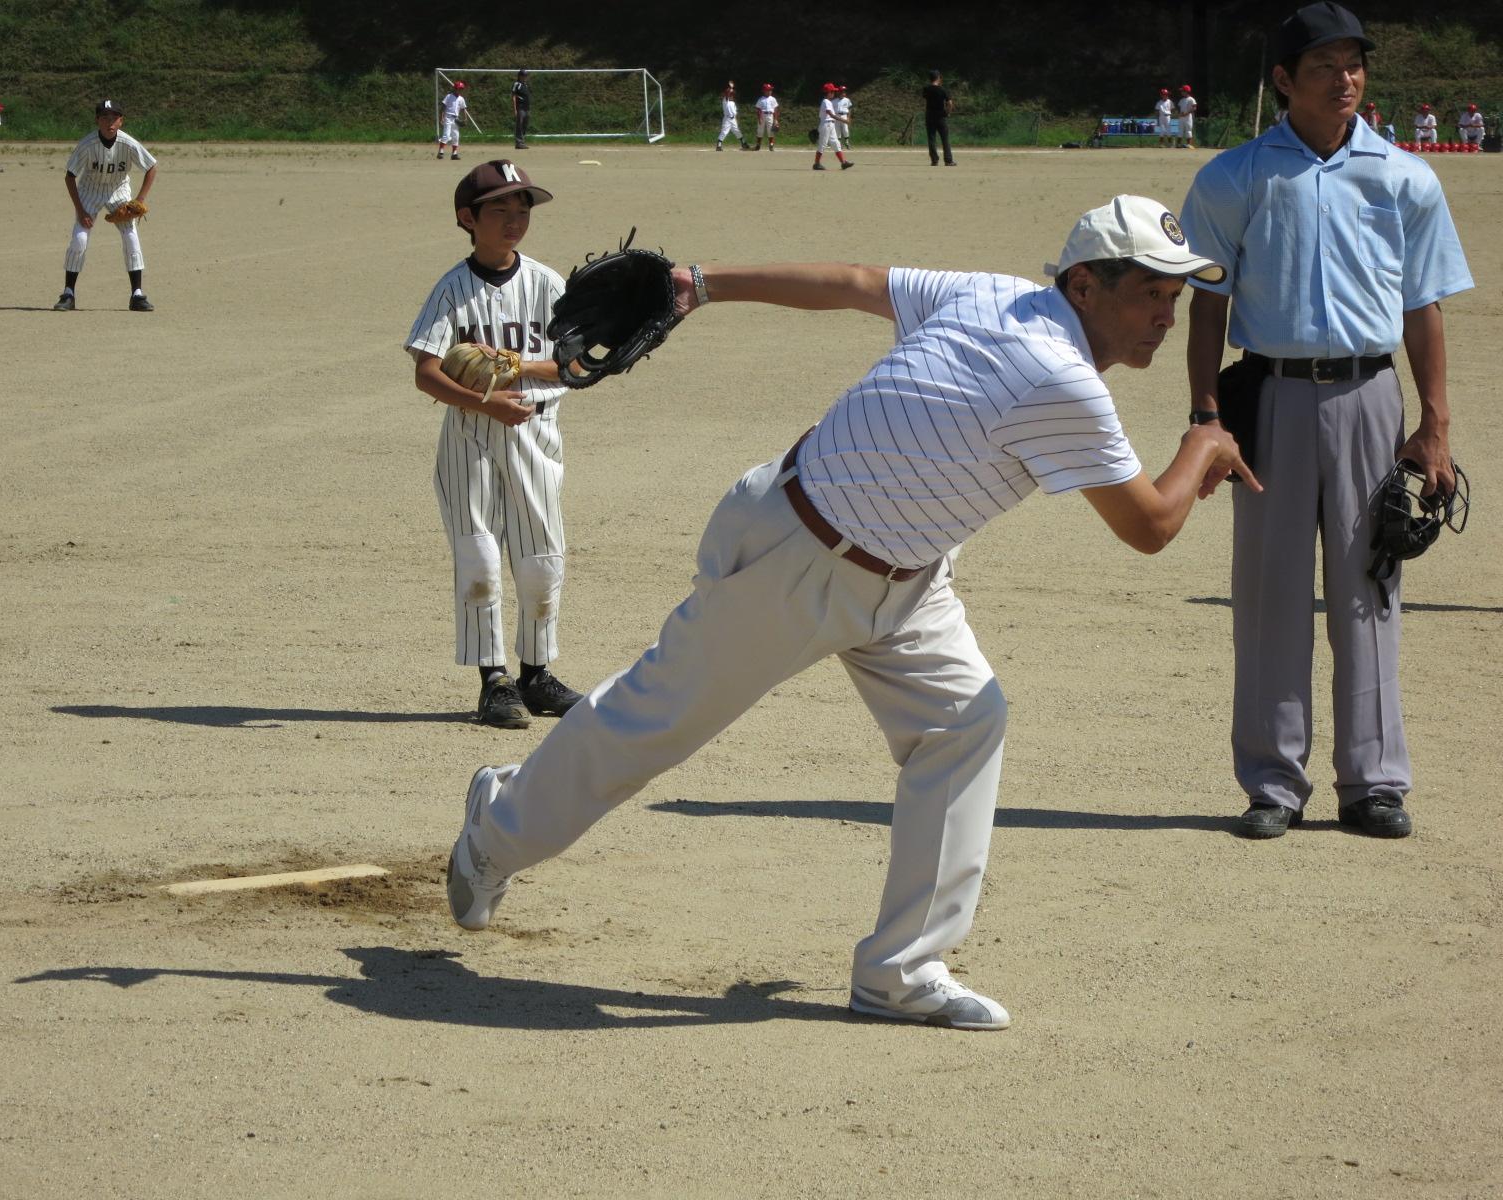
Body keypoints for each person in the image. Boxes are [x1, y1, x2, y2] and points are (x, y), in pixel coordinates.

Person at [444, 194, 1256, 1032]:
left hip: (904, 572)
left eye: (1176, 295)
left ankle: (901, 973)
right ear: (1084, 284)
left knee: (963, 725)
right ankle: (494, 834)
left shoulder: (996, 293)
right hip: (797, 557)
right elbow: (1152, 527)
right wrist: (1204, 441)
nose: (1167, 314)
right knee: (653, 726)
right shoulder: (1059, 379)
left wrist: (699, 282)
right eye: (1151, 292)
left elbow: (858, 281)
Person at [1180, 1, 1473, 840]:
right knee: (1269, 595)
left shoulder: (1405, 177)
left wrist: (1435, 425)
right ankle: (1274, 782)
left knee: (1369, 586)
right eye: (1323, 67)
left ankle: (1373, 781)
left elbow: (1424, 308)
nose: (1344, 79)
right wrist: (1206, 418)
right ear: (1283, 82)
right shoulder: (1235, 176)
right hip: (1268, 396)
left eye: (1354, 64)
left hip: (1370, 396)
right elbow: (1208, 306)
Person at [403, 159, 585, 728]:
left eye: (522, 210)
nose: (514, 220)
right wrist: (486, 402)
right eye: (500, 210)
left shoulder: (548, 283)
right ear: (468, 218)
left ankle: (537, 675)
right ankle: (493, 680)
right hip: (469, 438)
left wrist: (513, 367)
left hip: (537, 435)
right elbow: (426, 371)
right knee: (479, 556)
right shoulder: (452, 290)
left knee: (541, 561)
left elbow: (576, 363)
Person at [51, 100, 158, 313]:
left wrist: (139, 200)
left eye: (114, 118)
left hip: (119, 191)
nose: (110, 122)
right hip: (89, 192)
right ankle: (68, 293)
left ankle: (137, 294)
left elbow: (151, 167)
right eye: (105, 118)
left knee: (131, 236)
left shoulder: (128, 143)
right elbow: (70, 176)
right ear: (97, 120)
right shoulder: (87, 144)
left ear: (121, 121)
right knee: (80, 239)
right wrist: (81, 211)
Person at [812, 82, 853, 171]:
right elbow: (830, 114)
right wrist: (844, 120)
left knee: (836, 143)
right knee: (822, 145)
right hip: (826, 125)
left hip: (831, 125)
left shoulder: (829, 102)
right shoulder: (826, 101)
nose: (834, 93)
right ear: (829, 92)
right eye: (833, 92)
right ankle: (816, 163)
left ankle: (843, 163)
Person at [922, 69, 956, 166]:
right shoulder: (942, 89)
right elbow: (949, 103)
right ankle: (948, 160)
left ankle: (934, 160)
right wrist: (948, 112)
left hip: (929, 115)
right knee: (945, 139)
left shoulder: (926, 89)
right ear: (938, 78)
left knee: (931, 138)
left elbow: (925, 98)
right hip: (940, 116)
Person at [439, 81, 468, 161]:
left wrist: (465, 118)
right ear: (455, 88)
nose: (460, 90)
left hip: (456, 119)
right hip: (448, 117)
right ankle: (441, 152)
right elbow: (443, 108)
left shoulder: (461, 99)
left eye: (461, 89)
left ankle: (454, 154)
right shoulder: (448, 96)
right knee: (446, 135)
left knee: (456, 136)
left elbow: (463, 109)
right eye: (459, 88)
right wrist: (441, 118)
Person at [716, 81, 750, 151]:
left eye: (732, 95)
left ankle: (743, 144)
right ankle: (718, 146)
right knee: (724, 132)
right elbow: (727, 92)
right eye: (730, 95)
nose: (731, 95)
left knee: (737, 131)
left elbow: (735, 112)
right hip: (727, 119)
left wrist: (732, 89)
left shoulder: (733, 102)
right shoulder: (725, 101)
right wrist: (730, 87)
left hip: (733, 119)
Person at [752, 83, 779, 151]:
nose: (770, 91)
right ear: (764, 91)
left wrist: (775, 120)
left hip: (770, 115)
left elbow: (775, 110)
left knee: (770, 130)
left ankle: (771, 145)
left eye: (770, 90)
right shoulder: (761, 99)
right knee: (760, 131)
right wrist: (759, 118)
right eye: (769, 90)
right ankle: (758, 145)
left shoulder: (773, 99)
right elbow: (758, 109)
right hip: (762, 115)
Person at [511, 69, 530, 150]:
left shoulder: (525, 85)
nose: (525, 77)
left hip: (526, 108)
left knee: (524, 125)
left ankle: (522, 141)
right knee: (519, 125)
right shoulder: (517, 84)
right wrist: (515, 109)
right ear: (520, 76)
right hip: (520, 107)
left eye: (526, 76)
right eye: (523, 76)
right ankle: (518, 142)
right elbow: (514, 96)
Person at [835, 83, 854, 150]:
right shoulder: (835, 101)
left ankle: (847, 142)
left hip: (844, 116)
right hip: (837, 116)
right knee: (837, 131)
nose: (844, 93)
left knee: (845, 129)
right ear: (839, 92)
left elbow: (849, 108)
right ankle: (839, 144)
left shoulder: (847, 100)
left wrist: (848, 117)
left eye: (844, 91)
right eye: (842, 91)